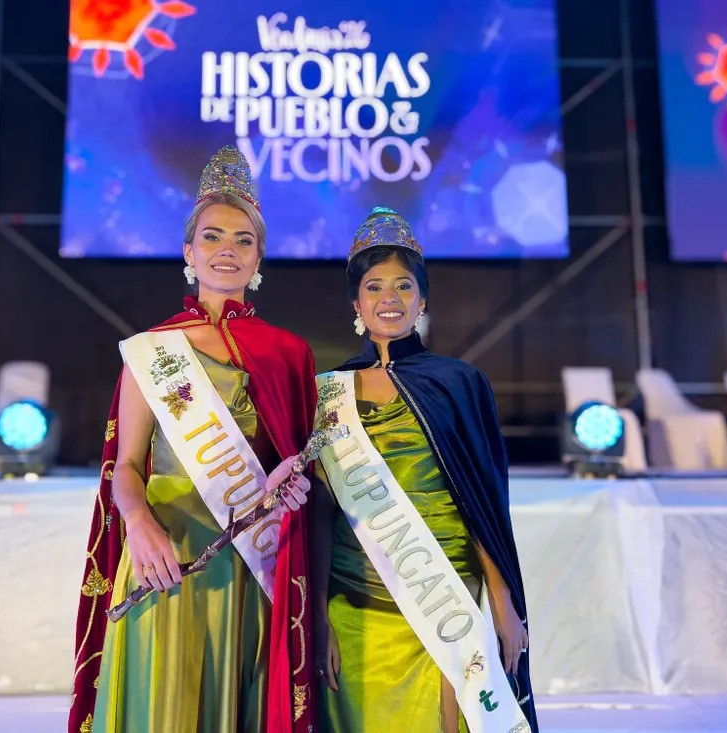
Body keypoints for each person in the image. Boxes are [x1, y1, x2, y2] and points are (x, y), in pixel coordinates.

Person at [69, 146, 318, 733]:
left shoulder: (289, 353)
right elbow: (125, 464)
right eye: (211, 237)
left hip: (247, 555)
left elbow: (298, 462)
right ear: (188, 252)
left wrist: (291, 480)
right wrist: (140, 523)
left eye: (242, 240)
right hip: (163, 551)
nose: (226, 250)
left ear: (260, 258)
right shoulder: (152, 350)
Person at [310, 207, 539, 733]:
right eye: (374, 287)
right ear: (356, 302)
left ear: (423, 299)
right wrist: (317, 611)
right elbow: (320, 511)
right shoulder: (327, 390)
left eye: (403, 286)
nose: (388, 299)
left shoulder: (459, 382)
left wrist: (501, 599)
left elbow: (483, 502)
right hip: (353, 602)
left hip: (443, 600)